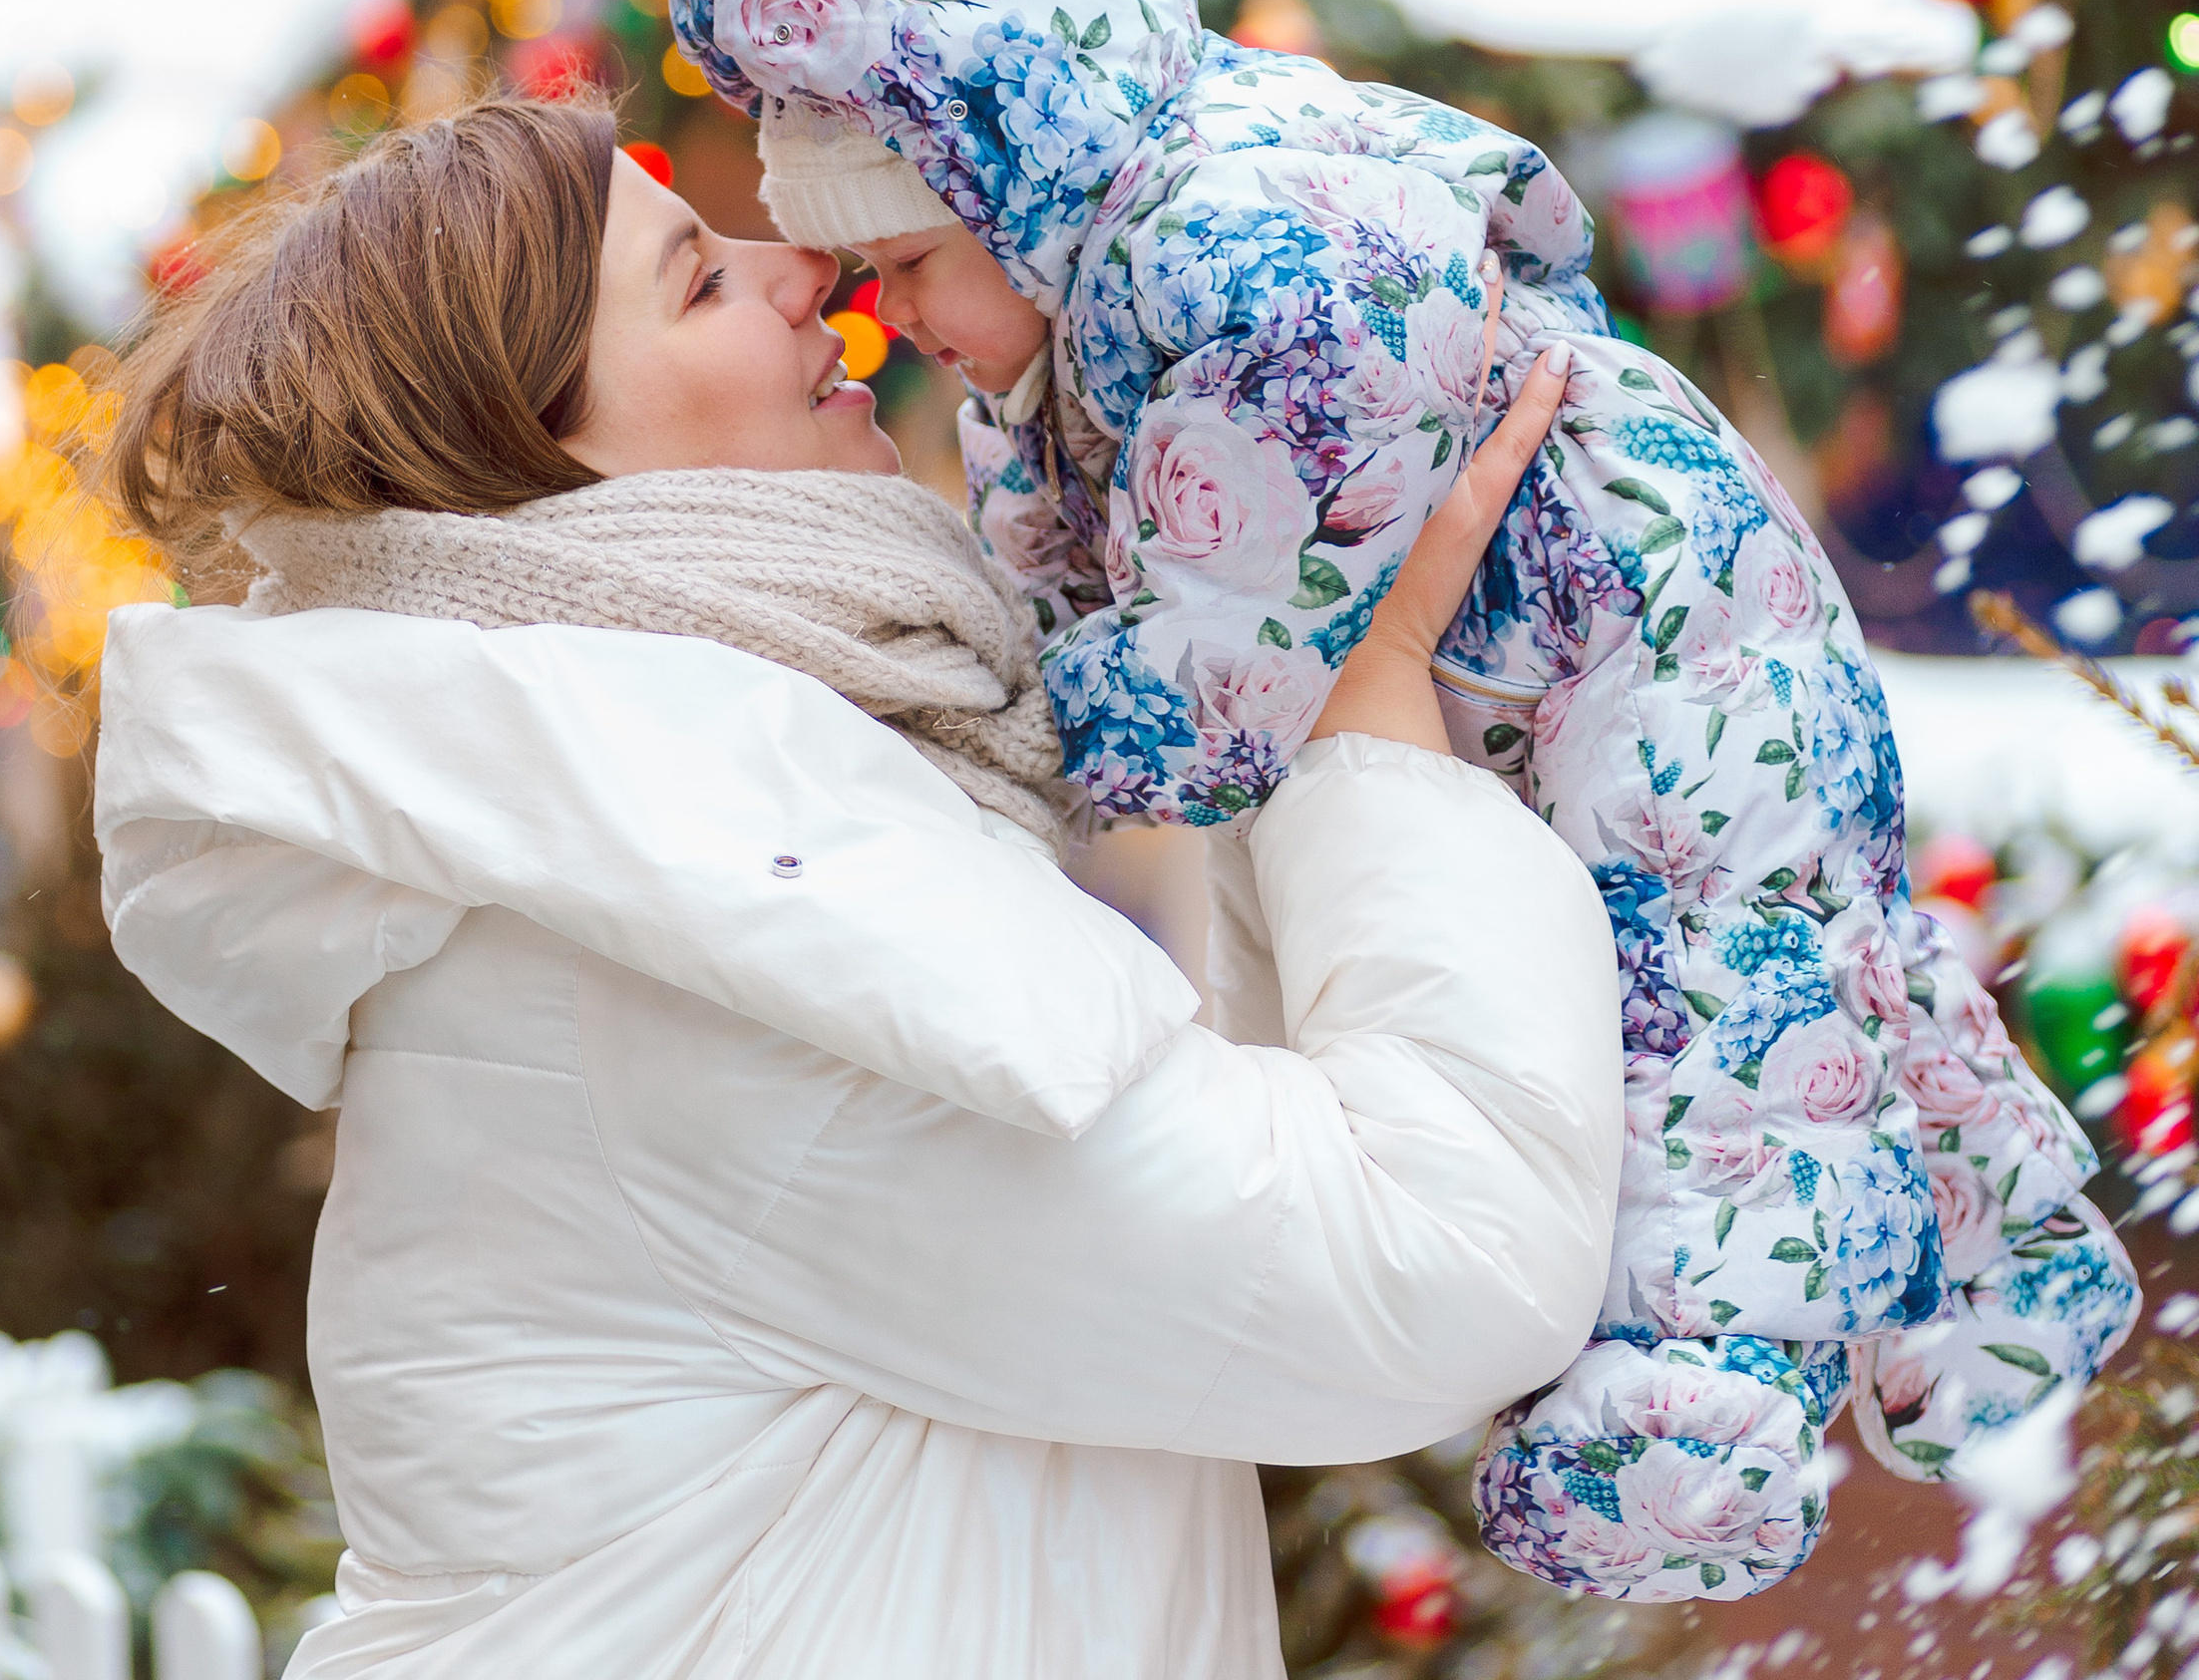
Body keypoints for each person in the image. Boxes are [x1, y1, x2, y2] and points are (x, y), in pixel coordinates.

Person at [668, 0, 2140, 1598]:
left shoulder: (1234, 249)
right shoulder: (1117, 250)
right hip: (1578, 631)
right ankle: (2008, 1263)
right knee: (1784, 978)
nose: (899, 322)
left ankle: (1697, 1422)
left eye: (913, 263)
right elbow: (1116, 542)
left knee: (1714, 993)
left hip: (1646, 636)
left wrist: (1063, 714)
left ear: (1012, 175)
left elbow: (1231, 641)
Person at [92, 92, 1622, 1679]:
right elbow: (1440, 1256)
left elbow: (1237, 1168)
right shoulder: (700, 931)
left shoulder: (656, 852)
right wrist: (1359, 698)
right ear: (547, 487)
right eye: (695, 282)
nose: (801, 267)